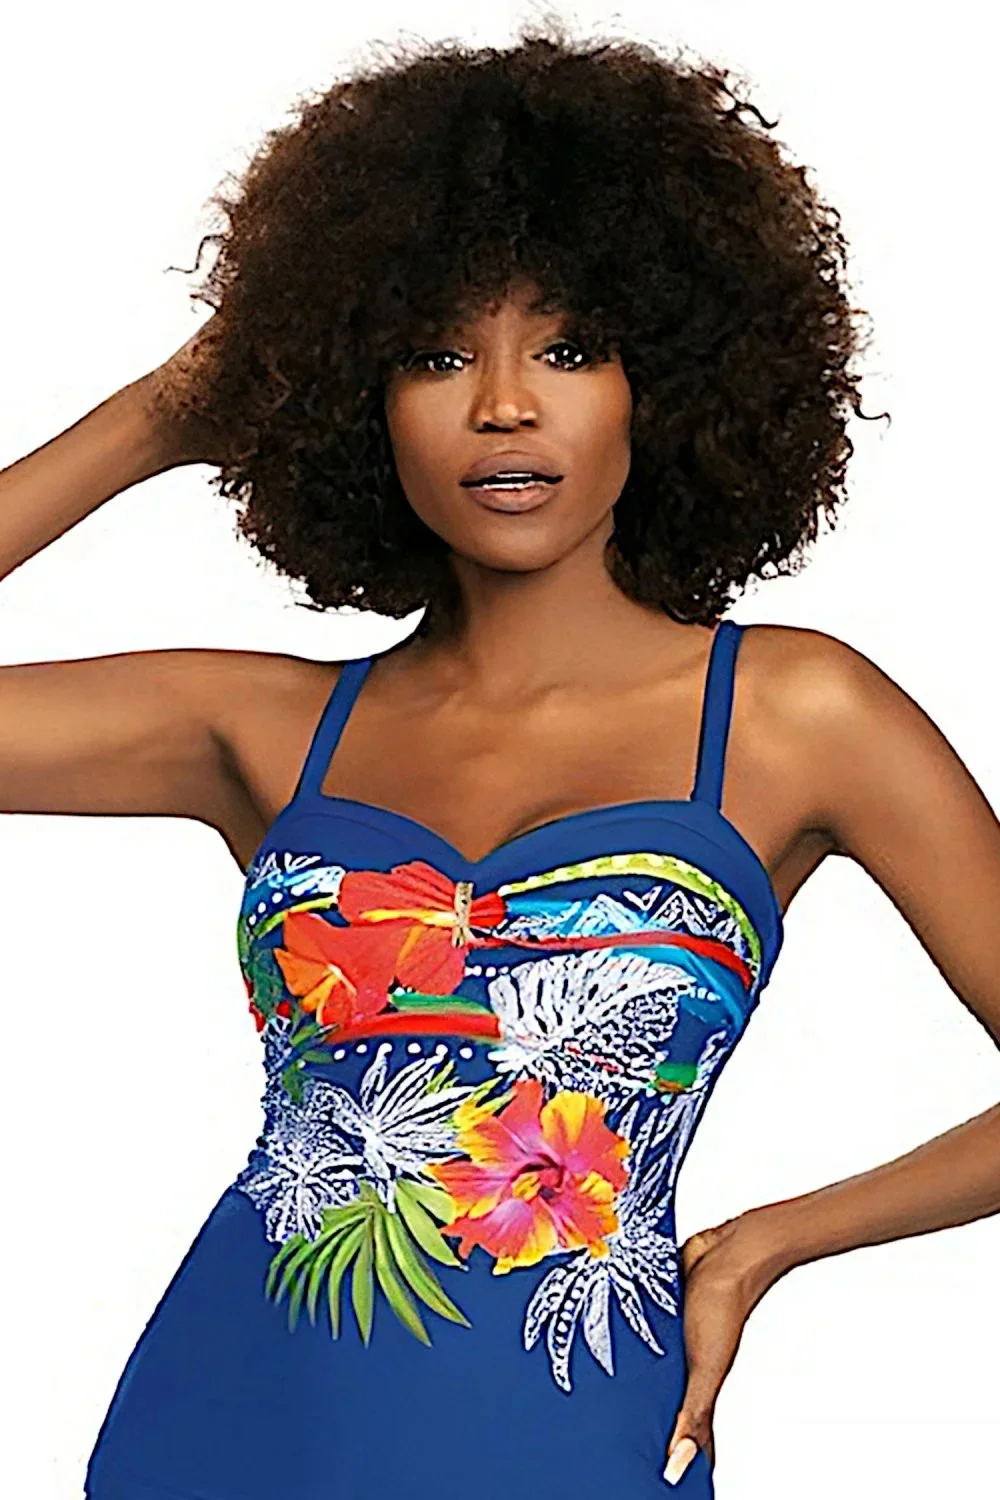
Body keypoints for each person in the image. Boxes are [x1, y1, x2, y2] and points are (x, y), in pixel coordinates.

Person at [3, 18, 999, 1500]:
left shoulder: (796, 713)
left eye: (570, 348)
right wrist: (162, 418)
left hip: (577, 1433)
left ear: (670, 380)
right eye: (434, 353)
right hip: (225, 1423)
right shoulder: (262, 728)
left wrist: (771, 1244)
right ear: (355, 396)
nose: (504, 403)